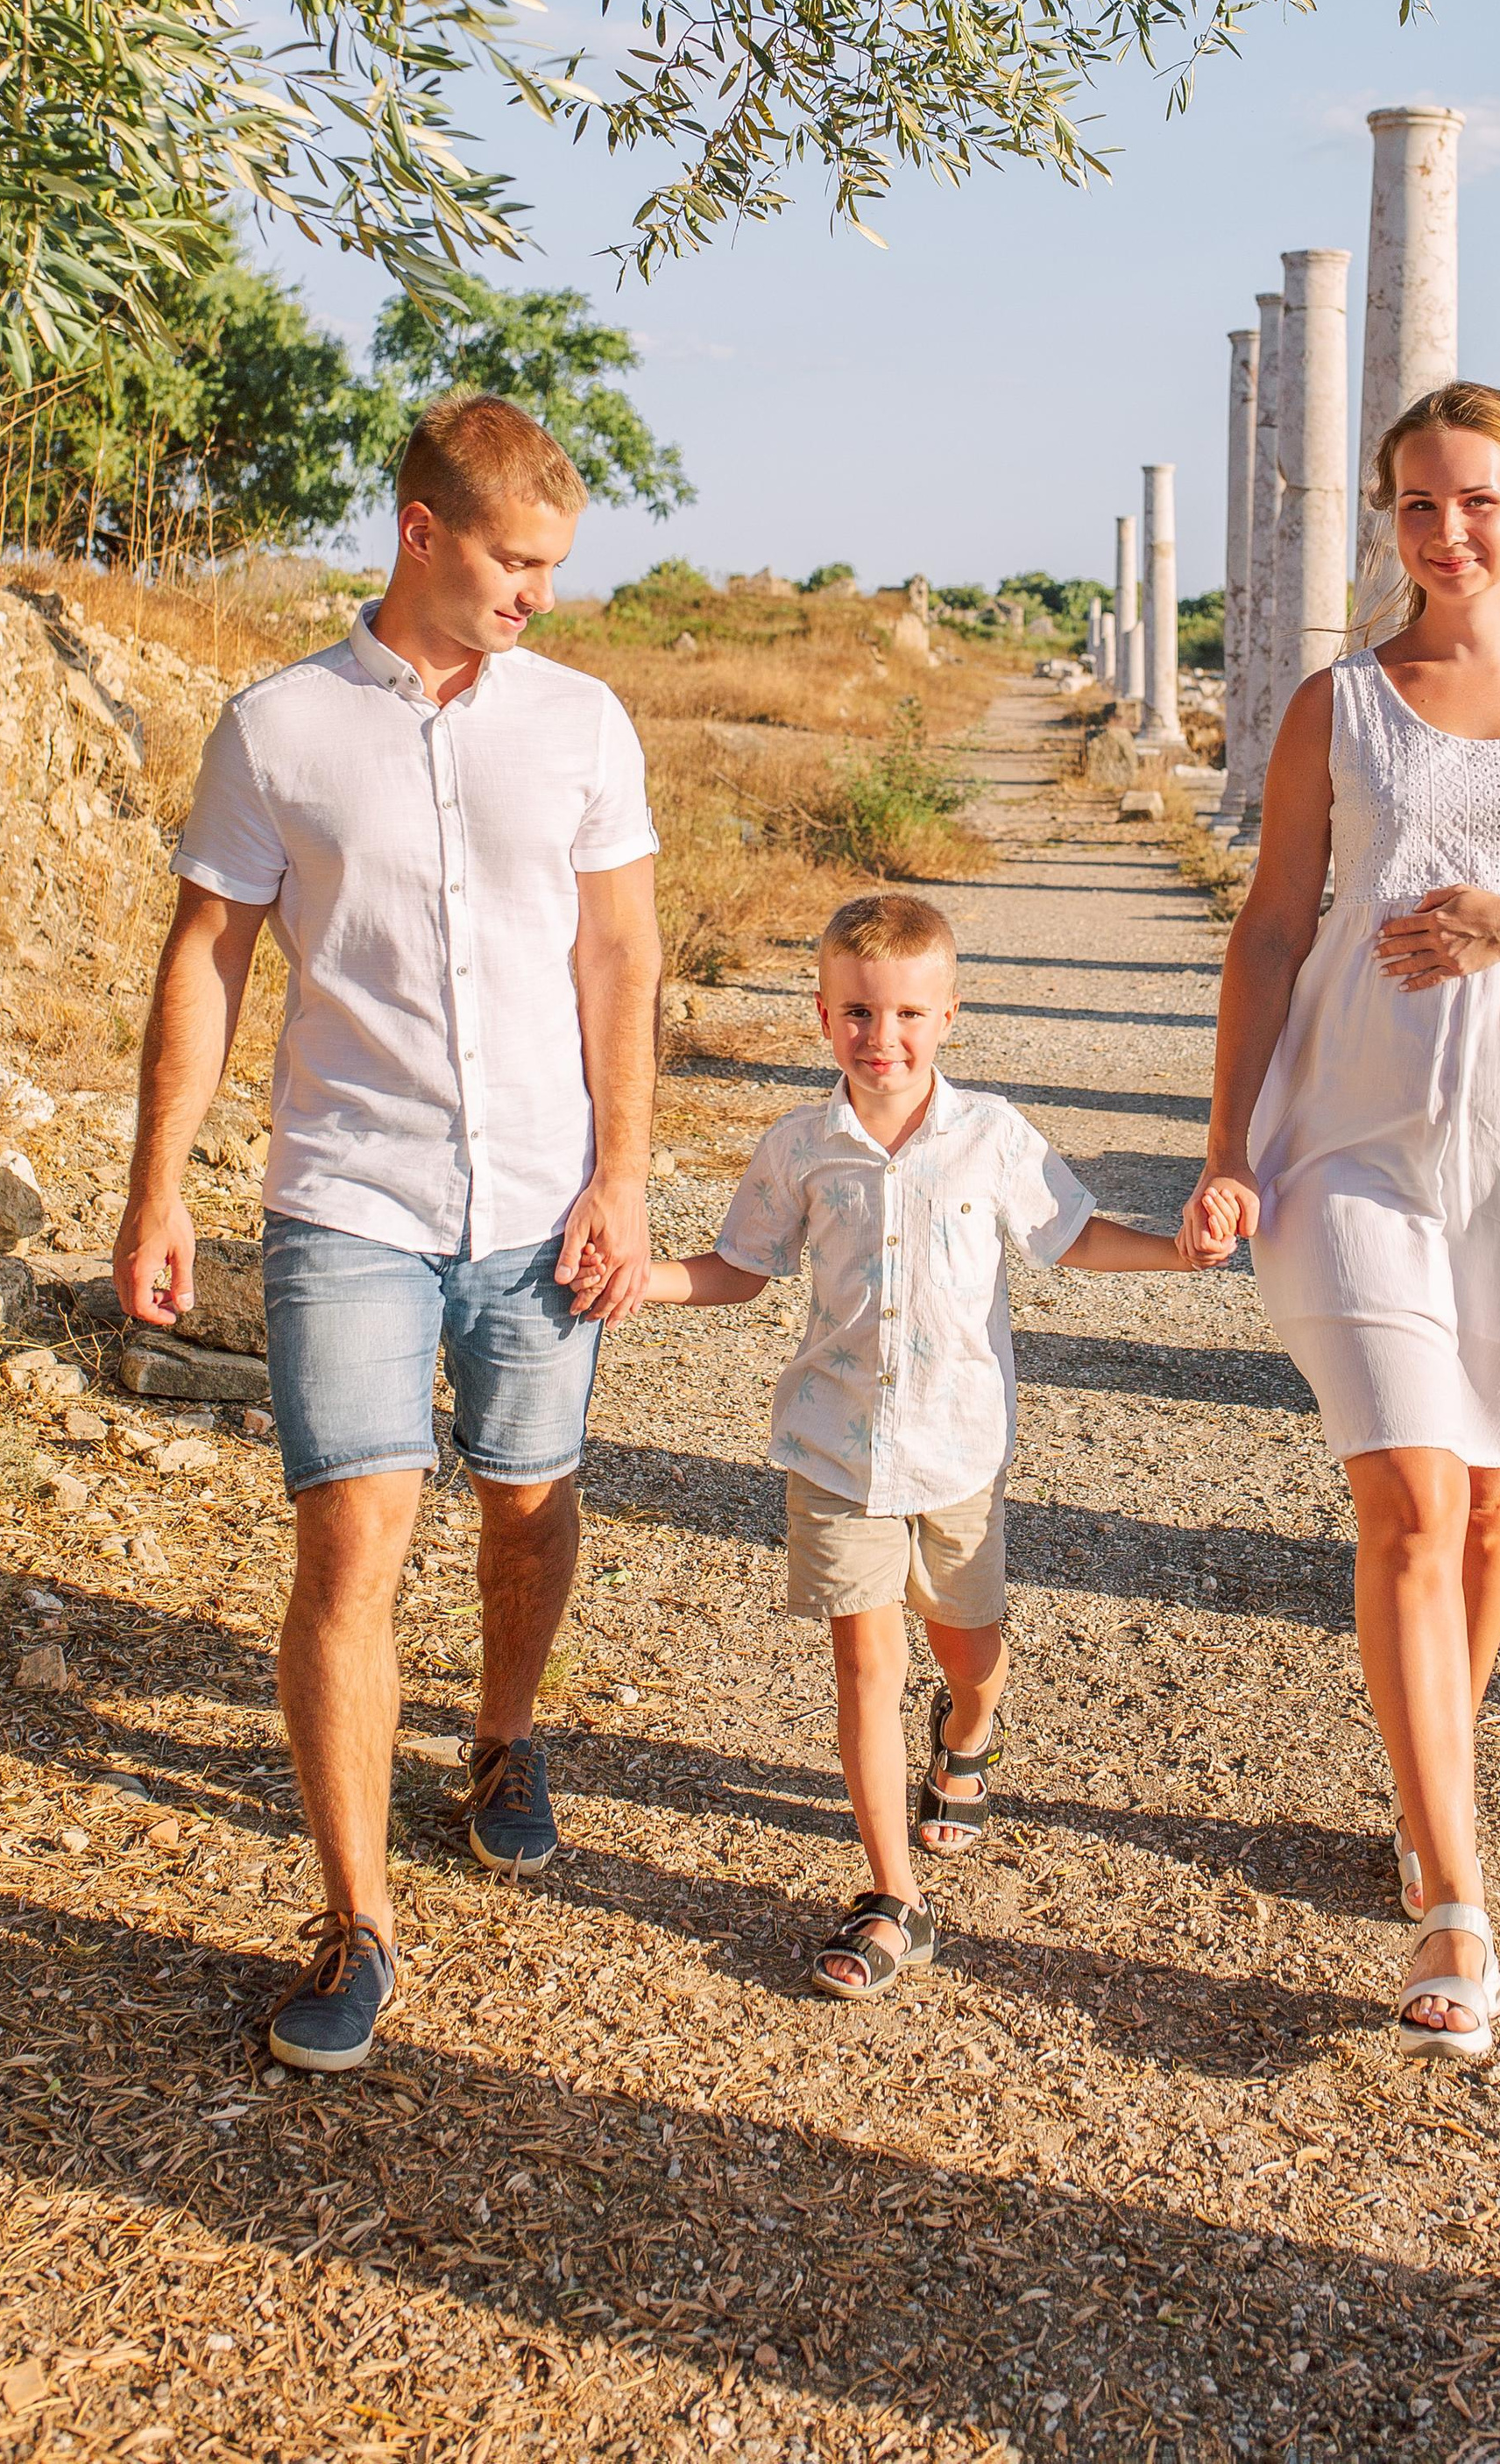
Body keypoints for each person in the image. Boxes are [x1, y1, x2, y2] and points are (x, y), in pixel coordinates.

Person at [112, 392, 662, 2073]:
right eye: (515, 560)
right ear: (420, 531)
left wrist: (624, 1175)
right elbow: (207, 958)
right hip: (346, 1193)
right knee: (349, 1546)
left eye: (557, 566)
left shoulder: (580, 720)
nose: (539, 597)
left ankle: (502, 1737)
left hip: (538, 1202)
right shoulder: (276, 727)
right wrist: (159, 1182)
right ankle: (357, 1920)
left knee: (525, 1509)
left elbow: (620, 962)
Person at [1184, 384, 1500, 2064]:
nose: (1443, 531)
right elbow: (1269, 929)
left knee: (1493, 1508)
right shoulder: (1342, 706)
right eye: (1413, 504)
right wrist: (1230, 1137)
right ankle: (1454, 1899)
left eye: (1472, 500)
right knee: (1408, 1495)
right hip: (1354, 1143)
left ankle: (1426, 1782)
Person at [632, 888, 1232, 2000]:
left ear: (949, 1014)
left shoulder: (992, 1137)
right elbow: (740, 1270)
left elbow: (1073, 1238)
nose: (883, 1038)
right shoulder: (799, 1148)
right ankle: (891, 1896)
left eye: (908, 1014)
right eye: (859, 1013)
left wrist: (1177, 1258)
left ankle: (968, 1733)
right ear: (822, 1016)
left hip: (961, 1447)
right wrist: (644, 1281)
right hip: (834, 1447)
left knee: (969, 1649)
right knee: (865, 1660)